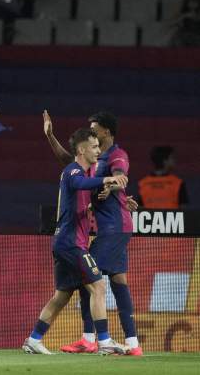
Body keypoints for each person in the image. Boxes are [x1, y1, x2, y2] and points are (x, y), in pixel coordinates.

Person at [43, 110, 142, 356]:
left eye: (94, 128)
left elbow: (121, 176)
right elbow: (71, 163)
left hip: (114, 227)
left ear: (106, 131)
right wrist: (50, 136)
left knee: (89, 276)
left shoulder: (116, 154)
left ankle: (89, 338)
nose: (90, 132)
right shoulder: (94, 159)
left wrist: (113, 184)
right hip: (112, 227)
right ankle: (133, 343)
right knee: (118, 282)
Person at [23, 128, 129, 355]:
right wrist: (109, 177)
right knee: (98, 286)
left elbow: (85, 195)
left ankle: (33, 339)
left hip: (65, 242)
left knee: (61, 296)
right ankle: (104, 341)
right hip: (71, 243)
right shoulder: (73, 172)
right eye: (94, 147)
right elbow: (79, 184)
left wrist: (115, 199)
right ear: (81, 150)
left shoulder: (87, 174)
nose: (98, 150)